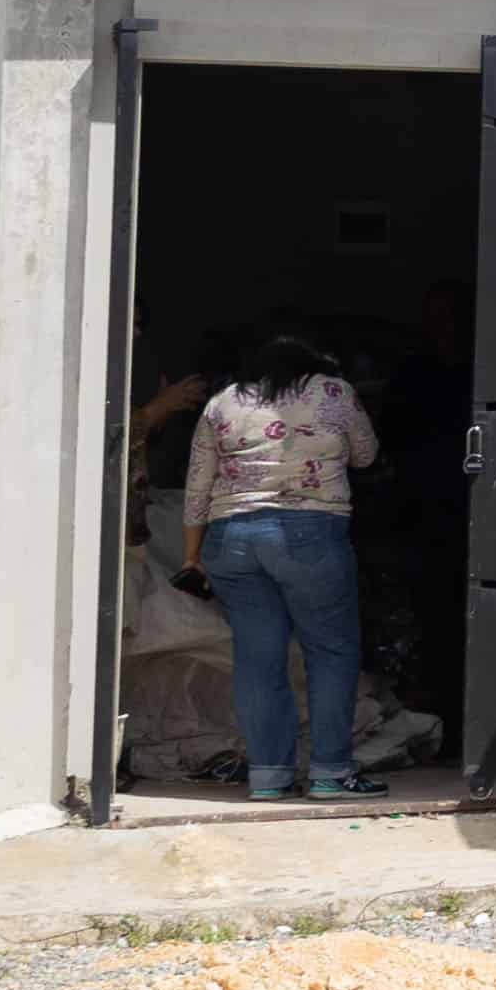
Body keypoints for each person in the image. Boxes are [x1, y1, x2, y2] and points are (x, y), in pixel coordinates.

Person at [180, 327, 385, 798]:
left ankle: (268, 778)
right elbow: (367, 455)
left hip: (232, 540)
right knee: (330, 652)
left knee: (258, 660)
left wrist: (192, 556)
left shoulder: (223, 402)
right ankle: (332, 774)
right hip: (309, 534)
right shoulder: (334, 391)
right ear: (313, 365)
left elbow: (198, 487)